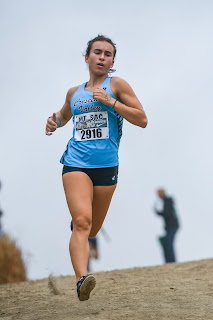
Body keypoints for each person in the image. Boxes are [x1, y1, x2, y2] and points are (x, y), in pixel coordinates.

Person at [46, 34, 148, 301]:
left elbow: (142, 119)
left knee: (92, 229)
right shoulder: (74, 92)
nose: (102, 57)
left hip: (106, 168)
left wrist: (111, 102)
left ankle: (79, 227)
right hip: (75, 163)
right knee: (82, 222)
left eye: (108, 54)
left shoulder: (117, 85)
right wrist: (54, 122)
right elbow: (64, 115)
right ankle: (82, 280)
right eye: (97, 52)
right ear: (87, 58)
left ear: (112, 61)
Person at [154, 188, 179, 263]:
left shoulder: (167, 200)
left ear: (162, 193)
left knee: (168, 242)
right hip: (170, 226)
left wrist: (158, 212)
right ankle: (169, 261)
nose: (158, 195)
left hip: (172, 225)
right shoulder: (167, 201)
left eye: (159, 193)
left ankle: (171, 261)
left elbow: (167, 214)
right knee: (166, 242)